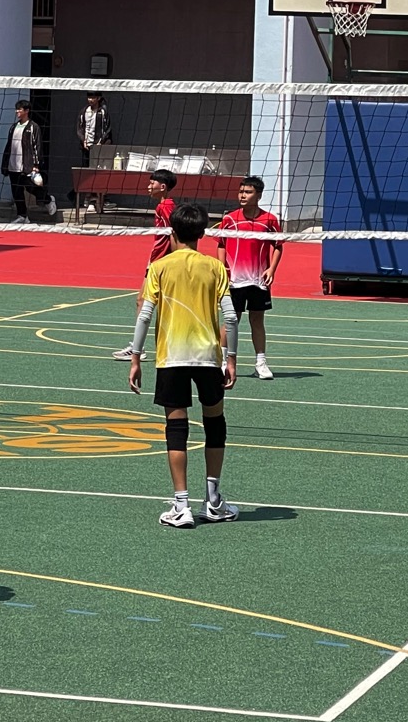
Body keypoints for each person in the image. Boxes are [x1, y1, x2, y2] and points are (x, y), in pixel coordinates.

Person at [128, 203, 239, 528]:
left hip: (172, 359)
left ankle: (181, 505)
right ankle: (213, 501)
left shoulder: (159, 267)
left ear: (172, 232)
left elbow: (144, 315)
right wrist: (231, 358)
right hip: (208, 359)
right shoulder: (215, 268)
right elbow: (231, 318)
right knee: (215, 424)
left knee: (176, 429)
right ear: (202, 234)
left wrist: (135, 357)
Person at [216, 175, 282, 381]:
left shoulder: (269, 220)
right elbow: (221, 245)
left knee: (257, 320)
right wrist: (222, 268)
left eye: (248, 192)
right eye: (241, 192)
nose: (242, 195)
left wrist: (271, 269)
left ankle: (260, 363)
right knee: (231, 319)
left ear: (259, 195)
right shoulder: (230, 219)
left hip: (259, 280)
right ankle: (222, 361)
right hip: (234, 280)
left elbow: (278, 246)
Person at [112, 169, 178, 360]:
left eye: (152, 183)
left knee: (143, 300)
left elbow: (174, 232)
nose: (148, 186)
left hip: (162, 262)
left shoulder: (165, 206)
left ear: (162, 186)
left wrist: (176, 258)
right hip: (158, 260)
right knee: (152, 302)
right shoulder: (165, 205)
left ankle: (138, 348)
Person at [0, 99, 57, 222]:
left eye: (19, 109)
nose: (17, 111)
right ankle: (22, 216)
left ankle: (48, 200)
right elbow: (9, 146)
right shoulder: (13, 127)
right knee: (16, 191)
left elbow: (37, 146)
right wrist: (5, 163)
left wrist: (36, 165)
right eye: (16, 109)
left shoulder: (33, 127)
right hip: (13, 165)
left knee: (31, 187)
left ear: (27, 111)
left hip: (27, 165)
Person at [76, 91, 114, 214]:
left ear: (98, 98)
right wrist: (83, 140)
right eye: (89, 97)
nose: (90, 100)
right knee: (88, 173)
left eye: (93, 97)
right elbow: (79, 128)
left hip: (100, 148)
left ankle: (102, 199)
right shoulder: (84, 111)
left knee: (101, 173)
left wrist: (101, 142)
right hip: (87, 147)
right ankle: (89, 199)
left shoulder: (103, 112)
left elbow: (107, 129)